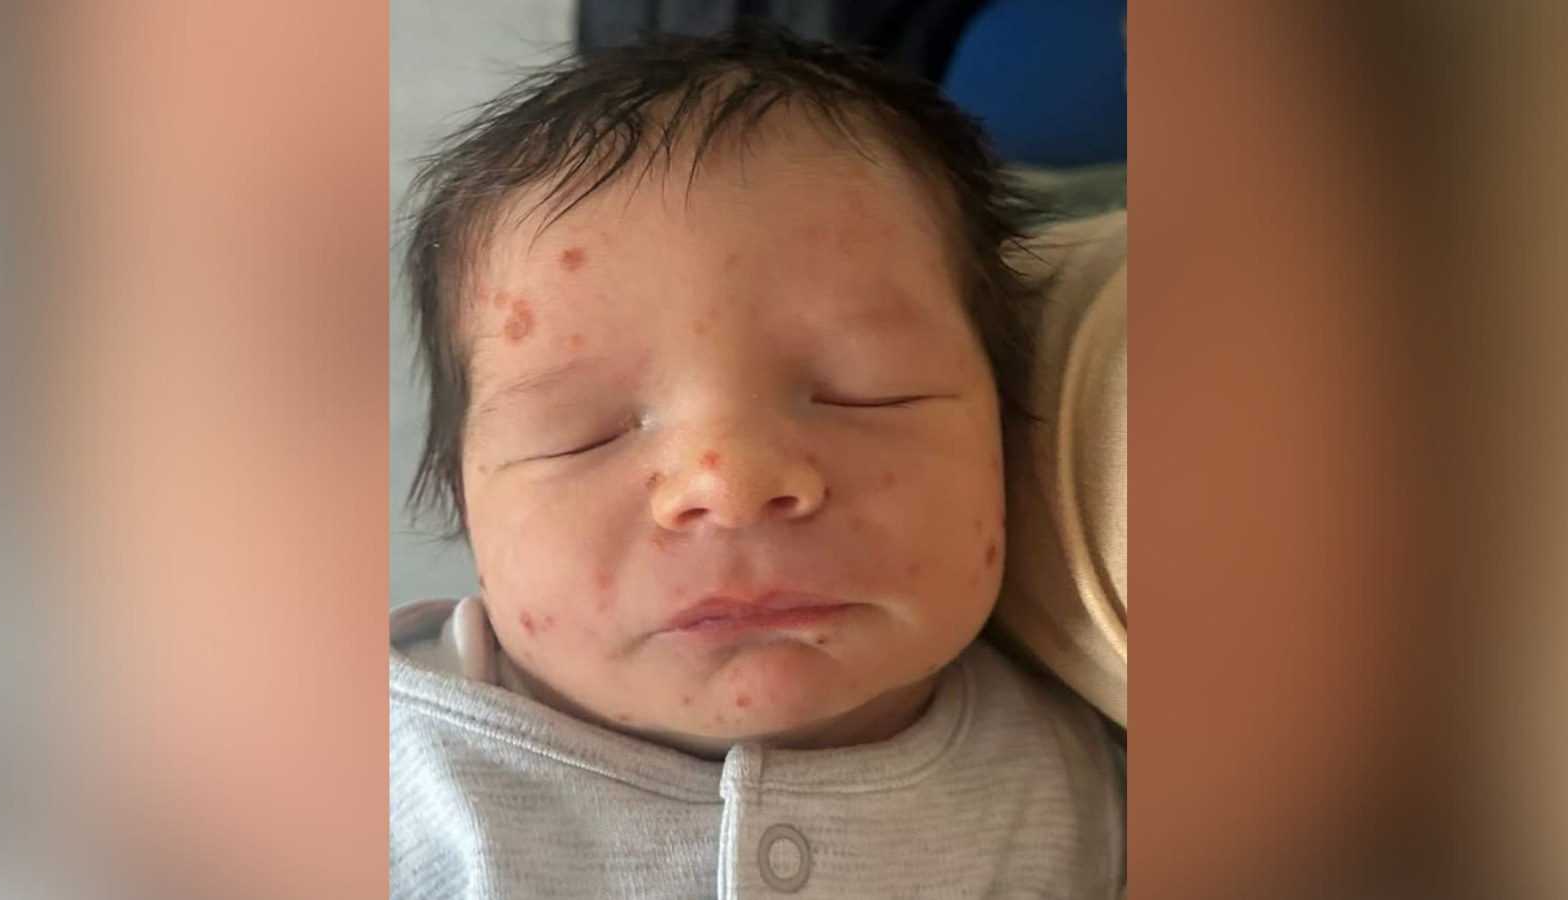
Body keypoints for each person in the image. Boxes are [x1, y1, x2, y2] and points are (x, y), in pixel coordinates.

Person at [391, 26, 1122, 899]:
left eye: (866, 393)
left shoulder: (1084, 790)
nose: (731, 485)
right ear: (466, 506)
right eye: (588, 433)